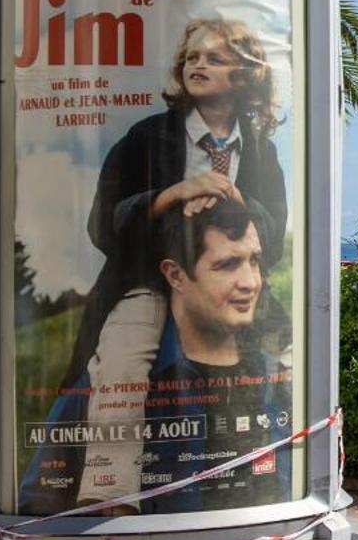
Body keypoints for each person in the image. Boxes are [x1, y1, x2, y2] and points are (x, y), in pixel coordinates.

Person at [58, 17, 287, 509]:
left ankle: (269, 483)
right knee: (123, 358)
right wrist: (169, 196)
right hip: (147, 282)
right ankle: (110, 492)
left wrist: (234, 200)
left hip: (222, 285)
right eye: (192, 57)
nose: (198, 65)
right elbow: (102, 223)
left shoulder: (261, 152)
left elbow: (276, 235)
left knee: (279, 363)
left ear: (246, 76)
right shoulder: (146, 137)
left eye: (215, 58)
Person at [24, 198, 293, 514]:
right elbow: (36, 511)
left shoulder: (274, 380)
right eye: (227, 265)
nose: (250, 282)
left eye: (254, 261)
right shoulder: (104, 386)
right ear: (175, 275)